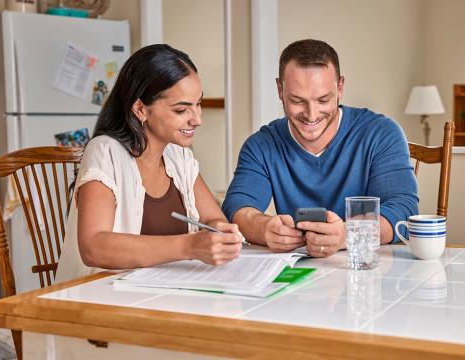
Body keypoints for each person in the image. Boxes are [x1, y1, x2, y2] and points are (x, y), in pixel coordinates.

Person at [56, 44, 244, 283]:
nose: (198, 119)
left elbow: (213, 219)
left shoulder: (179, 156)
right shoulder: (105, 151)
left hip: (163, 294)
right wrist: (189, 246)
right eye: (181, 109)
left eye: (198, 104)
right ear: (140, 108)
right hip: (102, 299)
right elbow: (93, 246)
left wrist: (221, 233)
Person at [222, 39, 418, 257]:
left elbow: (404, 209)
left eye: (323, 100)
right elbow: (237, 207)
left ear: (340, 87)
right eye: (297, 101)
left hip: (367, 272)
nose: (312, 115)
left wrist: (349, 233)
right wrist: (264, 229)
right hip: (295, 276)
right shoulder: (261, 145)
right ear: (280, 89)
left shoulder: (381, 133)